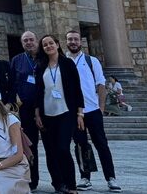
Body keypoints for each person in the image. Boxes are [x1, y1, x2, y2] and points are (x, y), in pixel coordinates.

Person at [66, 30, 121, 192]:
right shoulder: (64, 61)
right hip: (75, 112)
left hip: (92, 109)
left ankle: (111, 178)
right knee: (81, 145)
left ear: (80, 42)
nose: (73, 42)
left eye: (76, 39)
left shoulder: (91, 61)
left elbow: (101, 84)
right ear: (66, 42)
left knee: (101, 144)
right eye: (70, 40)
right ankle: (85, 177)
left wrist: (101, 108)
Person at [34, 34, 84, 194]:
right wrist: (37, 114)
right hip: (47, 114)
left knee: (63, 148)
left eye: (51, 43)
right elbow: (38, 92)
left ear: (57, 44)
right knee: (51, 151)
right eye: (45, 45)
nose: (48, 46)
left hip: (66, 112)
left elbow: (77, 88)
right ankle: (58, 183)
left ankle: (71, 185)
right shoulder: (41, 66)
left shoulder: (67, 63)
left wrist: (80, 113)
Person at [11, 30, 40, 191]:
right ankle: (32, 180)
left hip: (45, 109)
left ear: (36, 41)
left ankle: (59, 180)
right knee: (30, 146)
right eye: (25, 41)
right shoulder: (17, 60)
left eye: (31, 39)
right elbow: (12, 83)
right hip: (25, 110)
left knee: (53, 147)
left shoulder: (43, 58)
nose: (29, 43)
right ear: (22, 44)